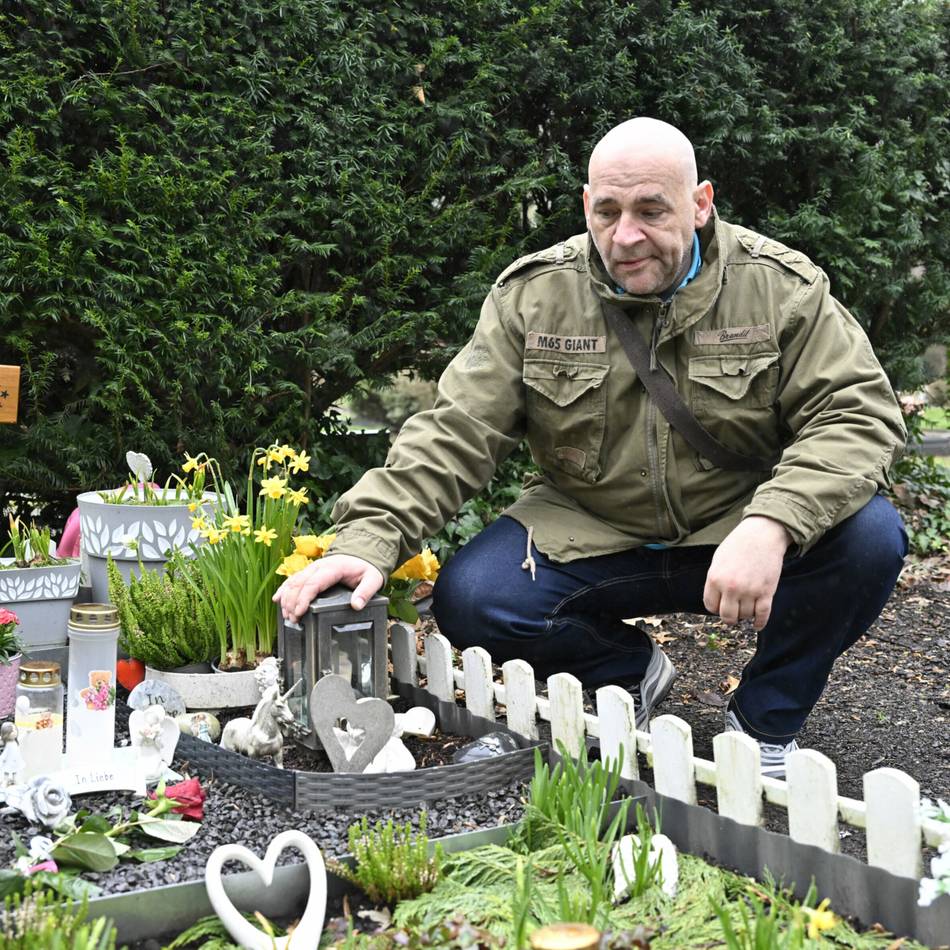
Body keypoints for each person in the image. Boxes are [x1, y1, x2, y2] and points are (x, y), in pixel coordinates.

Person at [275, 117, 908, 778]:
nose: (624, 236)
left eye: (651, 211)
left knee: (868, 538)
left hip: (736, 524)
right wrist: (367, 541)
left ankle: (764, 724)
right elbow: (455, 431)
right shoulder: (535, 296)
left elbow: (856, 415)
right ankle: (626, 673)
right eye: (607, 212)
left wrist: (772, 523)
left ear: (700, 204)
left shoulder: (780, 288)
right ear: (585, 206)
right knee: (474, 597)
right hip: (590, 527)